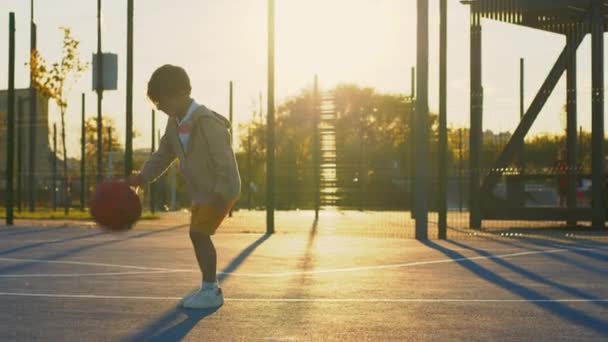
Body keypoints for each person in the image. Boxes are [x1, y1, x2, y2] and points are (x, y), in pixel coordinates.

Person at [126, 65, 241, 309]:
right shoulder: (174, 123)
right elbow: (163, 155)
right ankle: (208, 288)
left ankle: (211, 291)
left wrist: (221, 191)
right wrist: (142, 177)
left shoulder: (206, 121)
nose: (158, 106)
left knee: (199, 234)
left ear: (180, 94)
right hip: (204, 192)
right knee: (197, 234)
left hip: (221, 188)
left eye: (161, 100)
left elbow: (224, 159)